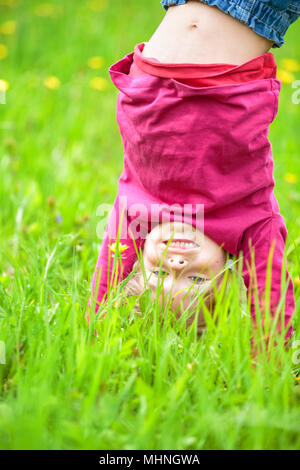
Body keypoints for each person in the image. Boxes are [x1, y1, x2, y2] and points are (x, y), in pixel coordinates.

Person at [90, 1, 299, 340]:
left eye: (158, 273)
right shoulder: (249, 220)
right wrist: (269, 363)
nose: (175, 265)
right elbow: (271, 299)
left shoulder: (137, 214)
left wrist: (93, 329)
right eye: (197, 279)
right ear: (233, 270)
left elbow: (104, 284)